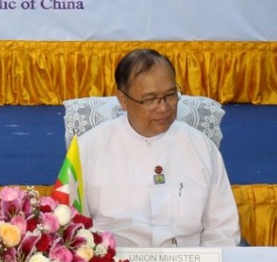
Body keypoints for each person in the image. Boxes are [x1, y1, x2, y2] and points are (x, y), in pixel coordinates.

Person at [77, 48, 241, 247]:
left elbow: (222, 230)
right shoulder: (88, 148)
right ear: (123, 99)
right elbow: (74, 229)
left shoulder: (201, 147)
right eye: (150, 99)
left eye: (170, 96)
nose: (163, 108)